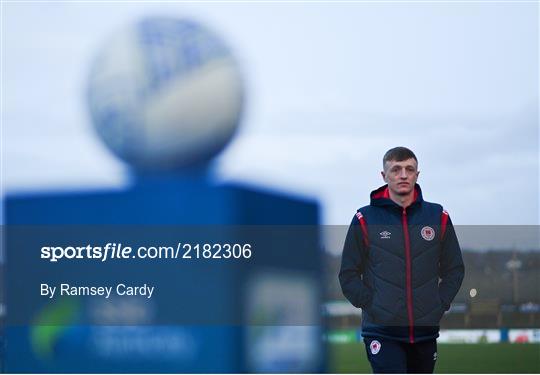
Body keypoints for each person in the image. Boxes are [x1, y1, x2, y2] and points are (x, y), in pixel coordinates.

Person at [339, 147, 464, 373]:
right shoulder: (364, 218)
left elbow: (454, 269)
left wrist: (440, 302)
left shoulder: (438, 216)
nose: (403, 175)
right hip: (382, 331)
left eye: (409, 169)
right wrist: (372, 303)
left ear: (417, 174)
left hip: (425, 331)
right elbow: (347, 274)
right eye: (396, 169)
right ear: (384, 176)